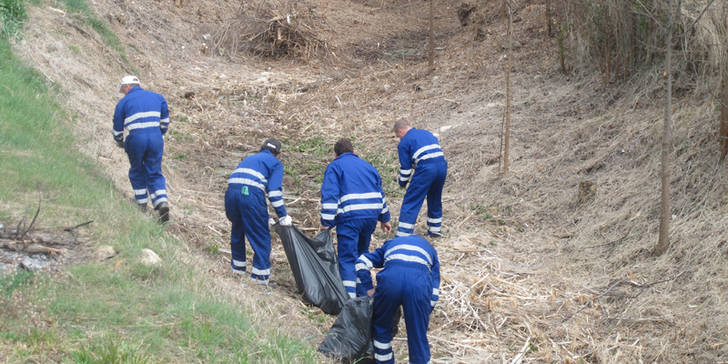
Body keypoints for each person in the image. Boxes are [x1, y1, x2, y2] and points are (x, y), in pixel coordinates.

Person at [320, 138, 392, 298]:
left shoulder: (335, 167)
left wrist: (326, 223)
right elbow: (381, 194)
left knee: (347, 258)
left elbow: (330, 197)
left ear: (335, 154)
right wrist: (385, 218)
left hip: (350, 218)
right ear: (353, 152)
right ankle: (363, 296)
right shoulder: (369, 167)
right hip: (370, 217)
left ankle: (349, 301)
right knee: (362, 256)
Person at [356, 234, 440, 364]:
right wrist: (426, 310)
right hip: (417, 285)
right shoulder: (431, 250)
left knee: (382, 328)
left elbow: (361, 262)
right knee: (418, 335)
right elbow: (435, 286)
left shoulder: (389, 245)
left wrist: (369, 289)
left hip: (390, 282)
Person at [225, 138, 292, 285]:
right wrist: (283, 215)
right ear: (278, 154)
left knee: (237, 230)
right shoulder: (275, 163)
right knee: (261, 239)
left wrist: (265, 215)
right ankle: (259, 283)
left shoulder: (251, 158)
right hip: (250, 195)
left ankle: (236, 273)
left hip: (231, 194)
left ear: (261, 149)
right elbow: (273, 193)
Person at [112, 75, 170, 222]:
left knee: (137, 170)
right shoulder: (158, 97)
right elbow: (165, 121)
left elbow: (117, 126)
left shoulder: (123, 102)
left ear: (127, 87)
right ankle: (161, 201)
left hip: (136, 139)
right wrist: (159, 134)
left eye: (123, 89)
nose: (123, 92)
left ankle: (141, 203)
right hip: (156, 139)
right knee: (155, 171)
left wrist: (119, 141)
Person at [393, 119, 448, 238]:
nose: (399, 138)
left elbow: (406, 169)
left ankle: (403, 234)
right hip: (442, 166)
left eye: (398, 136)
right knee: (435, 197)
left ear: (400, 131)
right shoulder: (426, 133)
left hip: (426, 168)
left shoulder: (404, 142)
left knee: (411, 200)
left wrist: (401, 182)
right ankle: (435, 230)